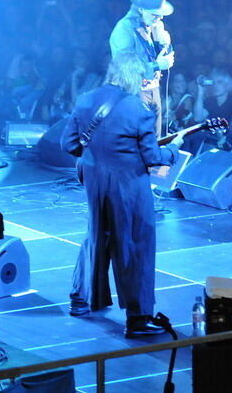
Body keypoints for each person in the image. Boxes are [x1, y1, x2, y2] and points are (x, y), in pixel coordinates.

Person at [62, 54, 184, 338]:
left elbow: (68, 143)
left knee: (96, 236)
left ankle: (80, 299)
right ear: (134, 76)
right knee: (136, 242)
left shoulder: (86, 99)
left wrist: (96, 159)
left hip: (94, 182)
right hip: (128, 186)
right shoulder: (138, 109)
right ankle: (138, 318)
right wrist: (174, 149)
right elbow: (152, 157)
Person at [109, 0, 176, 135]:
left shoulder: (150, 26)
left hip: (153, 89)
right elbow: (125, 67)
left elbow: (163, 57)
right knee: (138, 138)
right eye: (155, 14)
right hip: (133, 92)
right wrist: (157, 65)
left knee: (154, 138)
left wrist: (162, 42)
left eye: (160, 14)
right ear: (141, 10)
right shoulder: (124, 29)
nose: (159, 18)